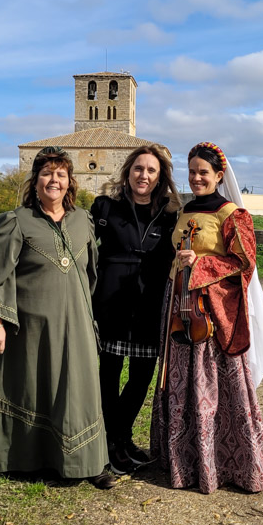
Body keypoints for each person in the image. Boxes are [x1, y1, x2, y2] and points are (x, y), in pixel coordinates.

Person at [0, 146, 115, 489]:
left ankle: (91, 462)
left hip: (77, 323)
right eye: (47, 173)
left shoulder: (83, 220)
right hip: (32, 325)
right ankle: (34, 460)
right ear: (35, 181)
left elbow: (91, 273)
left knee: (80, 390)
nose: (54, 180)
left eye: (61, 174)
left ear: (70, 183)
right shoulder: (16, 221)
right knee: (37, 387)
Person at [151, 142, 263, 494]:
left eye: (203, 172)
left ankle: (225, 464)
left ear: (219, 176)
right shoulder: (184, 212)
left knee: (214, 384)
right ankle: (183, 461)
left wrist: (201, 264)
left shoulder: (232, 214)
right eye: (192, 171)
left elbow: (244, 263)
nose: (196, 177)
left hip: (211, 310)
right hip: (177, 305)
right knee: (179, 382)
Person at [91, 144, 180, 474]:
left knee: (142, 376)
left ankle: (122, 436)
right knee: (109, 373)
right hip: (111, 302)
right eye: (138, 168)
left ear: (160, 178)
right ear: (128, 172)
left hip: (149, 303)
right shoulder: (104, 206)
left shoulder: (171, 216)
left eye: (151, 170)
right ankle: (107, 442)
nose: (144, 175)